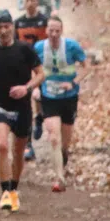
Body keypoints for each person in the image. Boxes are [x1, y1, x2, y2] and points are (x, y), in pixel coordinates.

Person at [0, 9, 43, 212]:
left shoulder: (25, 49)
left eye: (7, 26)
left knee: (18, 152)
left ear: (12, 27)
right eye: (0, 27)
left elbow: (41, 74)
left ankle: (14, 188)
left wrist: (27, 88)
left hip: (22, 107)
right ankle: (5, 191)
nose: (4, 31)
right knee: (2, 145)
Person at [34, 15, 87, 193]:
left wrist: (73, 82)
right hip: (48, 96)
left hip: (69, 97)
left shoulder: (72, 46)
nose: (54, 34)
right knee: (54, 137)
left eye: (57, 31)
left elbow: (86, 67)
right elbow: (31, 69)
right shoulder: (39, 47)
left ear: (61, 31)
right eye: (51, 30)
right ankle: (59, 178)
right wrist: (34, 87)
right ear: (46, 31)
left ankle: (63, 156)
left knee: (64, 142)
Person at [13, 0, 51, 161]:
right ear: (23, 2)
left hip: (41, 64)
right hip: (24, 66)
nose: (29, 3)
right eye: (26, 0)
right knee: (24, 102)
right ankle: (28, 144)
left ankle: (40, 117)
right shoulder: (18, 23)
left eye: (32, 0)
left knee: (41, 97)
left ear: (37, 2)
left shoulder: (44, 21)